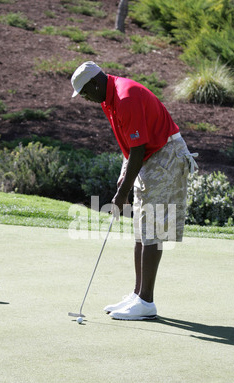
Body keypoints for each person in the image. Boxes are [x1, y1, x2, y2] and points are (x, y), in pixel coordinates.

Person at [71, 61, 198, 321]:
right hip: (150, 157)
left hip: (166, 157)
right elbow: (131, 145)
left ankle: (146, 302)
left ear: (95, 83)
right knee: (142, 228)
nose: (85, 99)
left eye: (84, 92)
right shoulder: (109, 98)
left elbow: (139, 149)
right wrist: (124, 176)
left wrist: (122, 194)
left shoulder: (125, 96)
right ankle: (138, 294)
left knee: (152, 228)